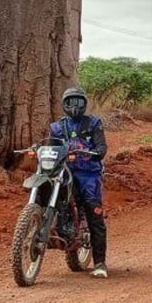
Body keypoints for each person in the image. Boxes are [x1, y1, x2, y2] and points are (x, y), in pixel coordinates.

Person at [50, 85, 109, 279]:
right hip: (65, 172)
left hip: (88, 174)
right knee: (54, 197)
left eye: (79, 102)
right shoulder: (57, 127)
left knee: (94, 213)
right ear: (64, 104)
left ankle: (99, 262)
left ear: (84, 104)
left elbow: (101, 146)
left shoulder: (93, 123)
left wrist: (98, 152)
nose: (74, 106)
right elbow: (52, 148)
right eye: (70, 102)